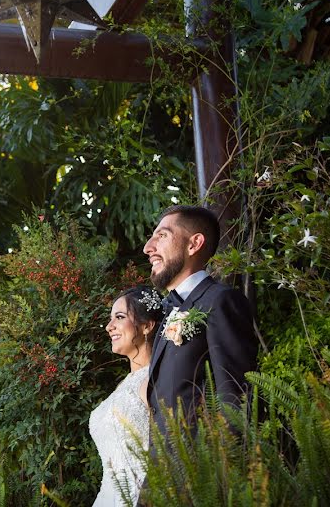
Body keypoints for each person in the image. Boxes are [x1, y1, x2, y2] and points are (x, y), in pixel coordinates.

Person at [143, 205, 259, 436]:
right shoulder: (170, 310)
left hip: (203, 467)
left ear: (194, 244)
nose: (148, 248)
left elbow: (234, 398)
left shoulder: (220, 301)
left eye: (162, 235)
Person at [89, 286, 165, 507]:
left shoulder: (157, 380)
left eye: (119, 317)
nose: (109, 326)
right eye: (110, 318)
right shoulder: (124, 385)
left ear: (147, 325)